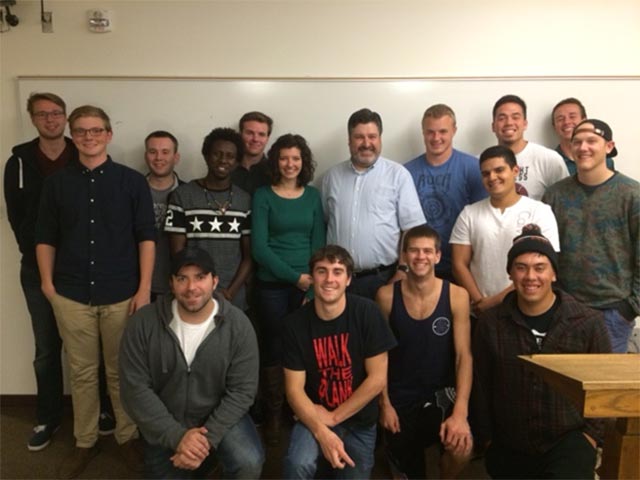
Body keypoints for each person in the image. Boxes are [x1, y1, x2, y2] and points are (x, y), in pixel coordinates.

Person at [35, 105, 155, 478]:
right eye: (82, 131)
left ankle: (126, 437)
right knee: (83, 372)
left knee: (122, 372)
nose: (89, 137)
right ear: (73, 136)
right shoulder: (56, 184)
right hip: (70, 294)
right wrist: (48, 286)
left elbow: (146, 238)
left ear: (109, 135)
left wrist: (144, 288)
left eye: (96, 130)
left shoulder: (132, 182)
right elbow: (44, 237)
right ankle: (84, 441)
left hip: (121, 292)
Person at [472, 224, 612, 479]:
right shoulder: (491, 324)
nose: (530, 276)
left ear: (554, 274)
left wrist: (591, 437)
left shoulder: (587, 322)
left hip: (568, 440)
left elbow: (604, 387)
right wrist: (487, 440)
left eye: (540, 267)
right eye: (521, 267)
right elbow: (481, 385)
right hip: (509, 442)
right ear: (511, 274)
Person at [119, 246, 264, 479]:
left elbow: (243, 390)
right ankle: (205, 463)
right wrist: (177, 437)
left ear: (215, 281)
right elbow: (134, 389)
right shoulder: (142, 324)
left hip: (220, 416)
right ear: (171, 283)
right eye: (182, 279)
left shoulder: (239, 325)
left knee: (249, 462)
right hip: (167, 419)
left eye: (200, 277)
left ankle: (207, 459)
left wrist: (205, 440)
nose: (191, 288)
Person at [281, 245, 397, 479]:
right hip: (313, 416)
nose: (329, 279)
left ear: (348, 279)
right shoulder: (294, 324)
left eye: (337, 271)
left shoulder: (367, 313)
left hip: (359, 421)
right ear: (312, 278)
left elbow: (377, 380)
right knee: (297, 465)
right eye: (322, 271)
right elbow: (293, 390)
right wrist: (322, 430)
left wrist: (334, 418)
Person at [376, 225, 473, 479]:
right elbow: (378, 356)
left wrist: (461, 412)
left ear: (438, 256)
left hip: (442, 393)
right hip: (401, 395)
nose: (421, 257)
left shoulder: (457, 296)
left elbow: (464, 356)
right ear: (405, 256)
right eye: (414, 251)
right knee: (407, 471)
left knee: (462, 449)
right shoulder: (386, 297)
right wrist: (384, 404)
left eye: (427, 251)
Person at [251, 133, 326, 445]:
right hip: (273, 286)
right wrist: (295, 278)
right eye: (284, 158)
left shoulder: (312, 196)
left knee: (304, 348)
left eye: (296, 158)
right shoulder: (263, 196)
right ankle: (274, 412)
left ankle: (301, 410)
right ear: (275, 162)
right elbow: (259, 248)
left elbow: (318, 242)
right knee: (273, 348)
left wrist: (312, 286)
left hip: (309, 285)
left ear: (303, 162)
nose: (290, 164)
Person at [542, 119, 639, 353]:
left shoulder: (632, 195)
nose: (583, 147)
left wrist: (630, 307)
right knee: (562, 385)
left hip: (613, 313)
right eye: (577, 142)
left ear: (609, 146)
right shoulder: (555, 195)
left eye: (591, 141)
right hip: (564, 310)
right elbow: (546, 252)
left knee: (604, 386)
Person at [322, 108, 425, 299]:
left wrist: (403, 270)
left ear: (380, 139)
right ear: (349, 140)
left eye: (372, 136)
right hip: (336, 279)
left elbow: (411, 229)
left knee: (382, 329)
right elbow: (327, 222)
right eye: (359, 137)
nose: (366, 143)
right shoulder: (331, 177)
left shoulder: (398, 175)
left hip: (384, 279)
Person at [450, 145, 559, 315]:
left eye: (499, 170)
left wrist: (495, 301)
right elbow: (459, 264)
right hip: (480, 311)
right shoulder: (469, 214)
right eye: (486, 173)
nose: (492, 177)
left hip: (525, 308)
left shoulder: (540, 211)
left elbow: (547, 264)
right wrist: (480, 302)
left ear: (515, 171)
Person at [165, 127, 252, 310]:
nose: (223, 160)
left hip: (233, 297)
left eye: (229, 156)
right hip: (193, 295)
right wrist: (200, 289)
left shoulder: (245, 200)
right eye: (217, 154)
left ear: (237, 162)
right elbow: (177, 254)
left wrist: (230, 292)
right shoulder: (182, 195)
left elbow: (248, 256)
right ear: (206, 156)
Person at [405, 104, 486, 282]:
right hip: (419, 266)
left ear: (454, 131)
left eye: (443, 131)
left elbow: (482, 219)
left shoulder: (473, 168)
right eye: (430, 132)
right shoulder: (406, 173)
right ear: (423, 132)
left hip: (463, 268)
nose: (436, 138)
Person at [491, 94, 568, 200]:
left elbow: (565, 203)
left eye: (515, 117)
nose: (509, 122)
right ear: (493, 126)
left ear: (525, 124)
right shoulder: (479, 163)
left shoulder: (549, 159)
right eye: (502, 118)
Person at [144, 130, 184, 300]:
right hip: (138, 286)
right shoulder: (130, 192)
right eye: (153, 152)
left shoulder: (188, 194)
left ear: (176, 157)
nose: (158, 158)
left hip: (177, 286)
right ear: (146, 156)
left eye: (165, 152)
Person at [551, 97, 615, 175]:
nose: (567, 122)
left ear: (584, 120)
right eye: (560, 119)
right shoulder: (550, 162)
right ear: (554, 127)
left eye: (572, 117)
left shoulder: (604, 159)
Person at [232, 111, 273, 194]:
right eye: (250, 133)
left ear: (267, 138)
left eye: (261, 134)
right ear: (240, 134)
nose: (255, 139)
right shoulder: (226, 168)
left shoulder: (275, 172)